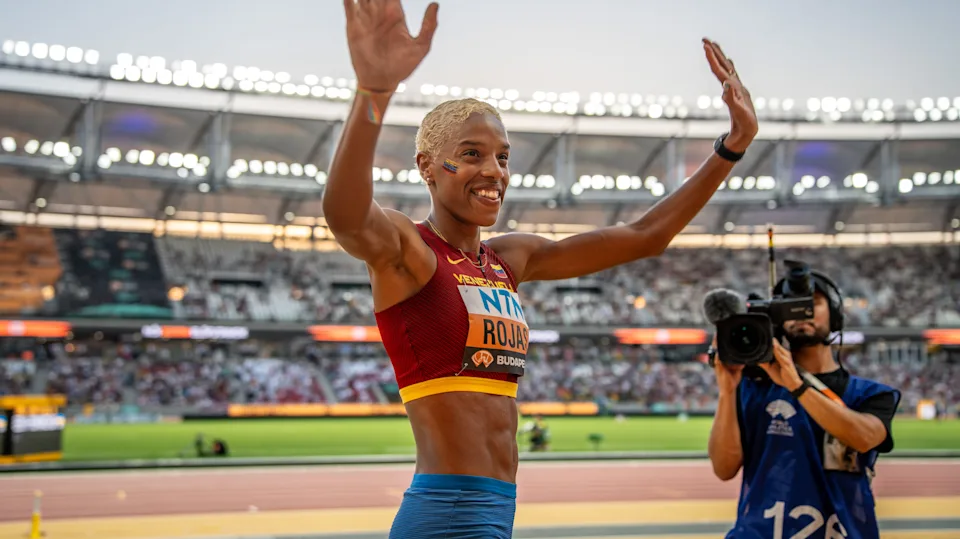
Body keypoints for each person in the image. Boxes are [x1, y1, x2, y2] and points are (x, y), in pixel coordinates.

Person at [324, 1, 758, 536]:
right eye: (472, 153)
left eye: (503, 157)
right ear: (427, 168)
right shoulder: (410, 252)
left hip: (496, 509)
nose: (494, 171)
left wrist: (731, 148)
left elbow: (647, 237)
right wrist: (374, 92)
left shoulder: (509, 259)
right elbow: (345, 215)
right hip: (447, 513)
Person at [707, 269, 901, 539]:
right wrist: (727, 392)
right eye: (790, 305)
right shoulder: (753, 390)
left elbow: (865, 436)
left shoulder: (870, 394)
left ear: (835, 312)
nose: (801, 313)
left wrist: (797, 386)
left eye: (812, 302)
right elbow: (724, 468)